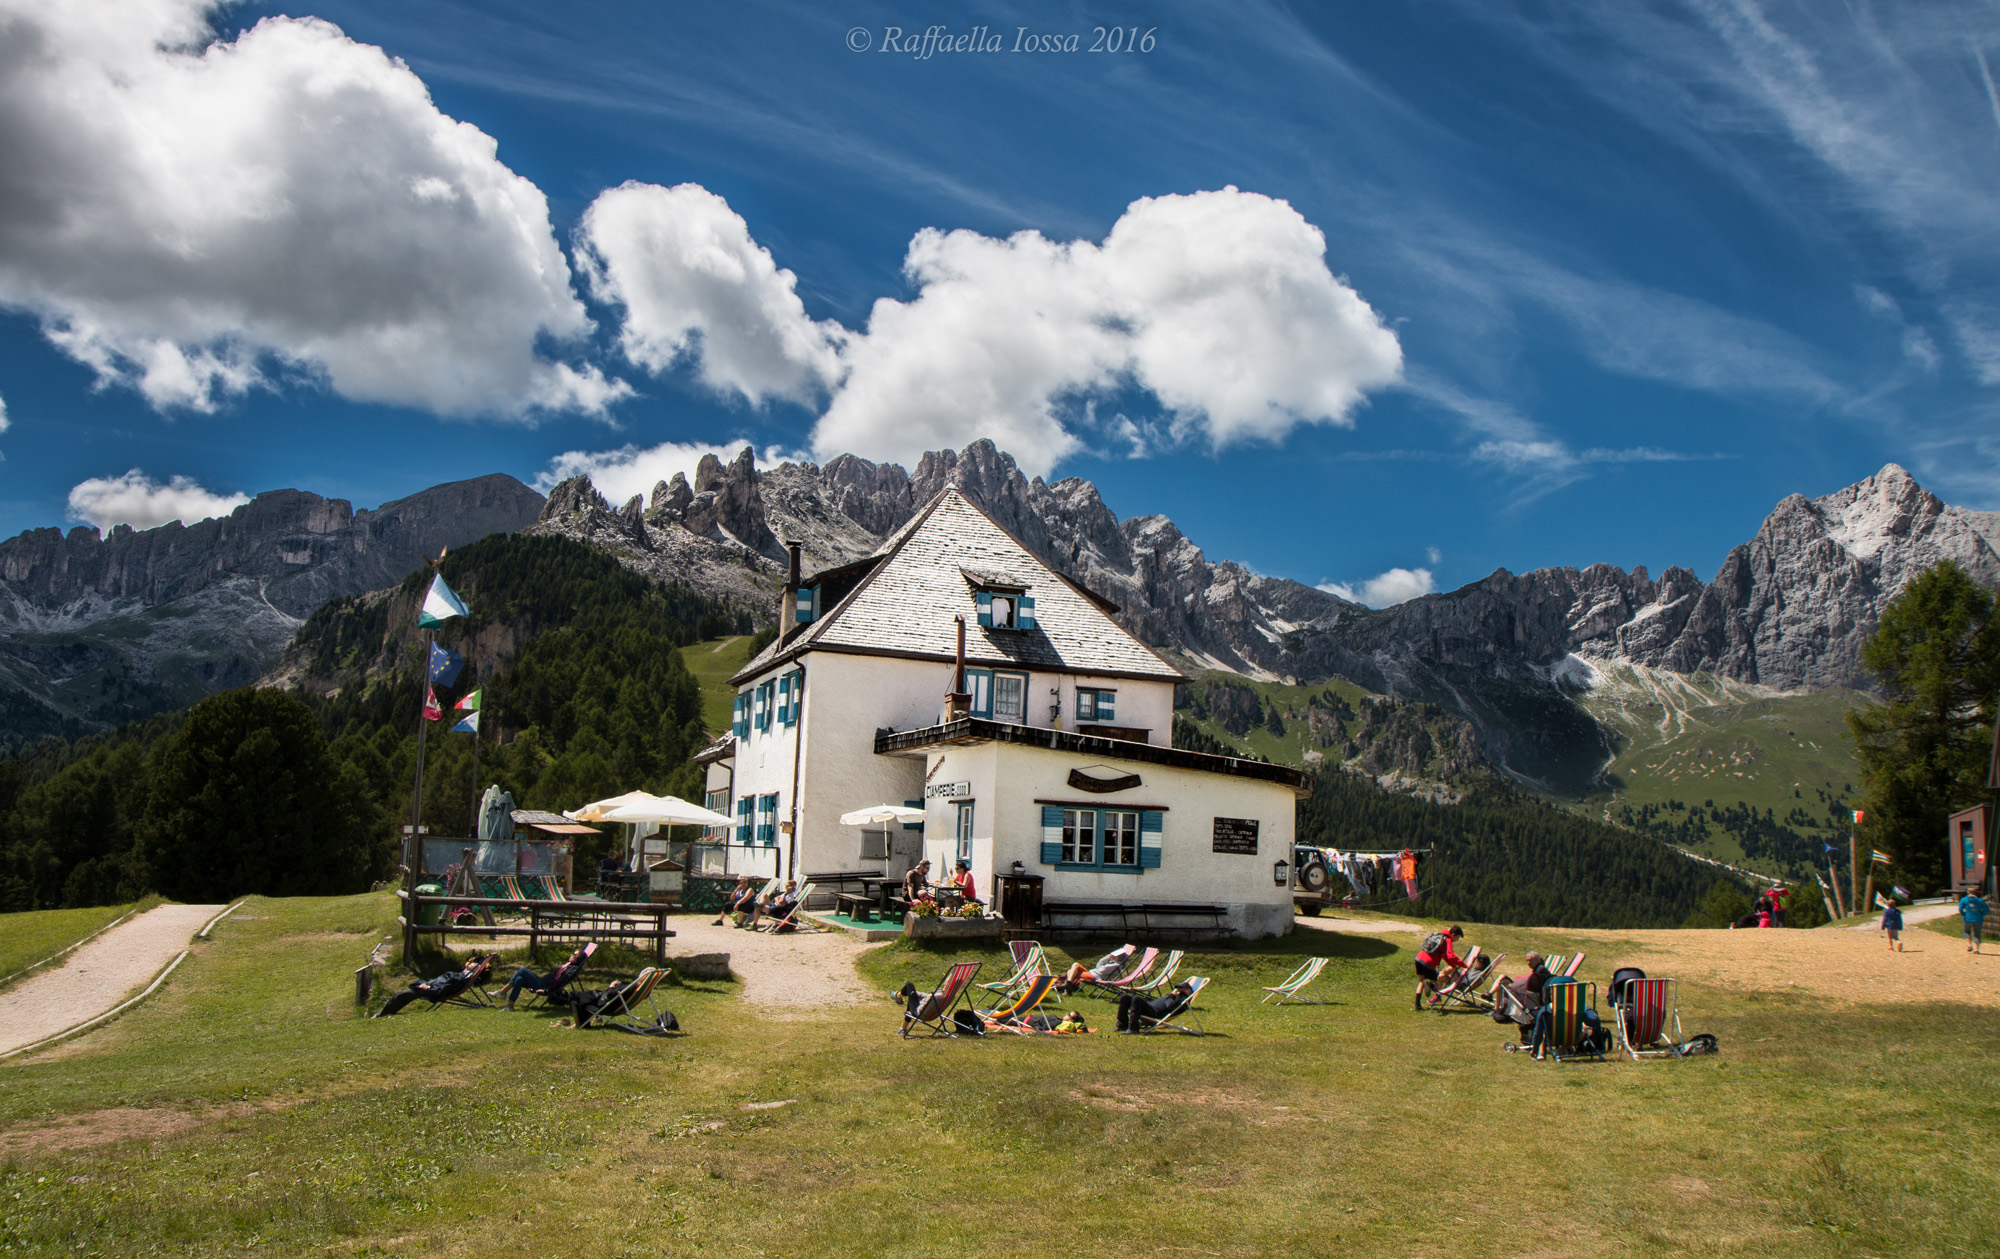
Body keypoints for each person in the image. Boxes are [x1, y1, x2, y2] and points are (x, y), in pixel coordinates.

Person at [374, 953, 498, 1017]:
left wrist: (428, 988)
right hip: (429, 986)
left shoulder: (458, 978)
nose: (470, 964)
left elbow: (443, 989)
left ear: (474, 970)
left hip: (430, 990)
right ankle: (384, 1013)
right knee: (400, 994)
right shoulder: (459, 976)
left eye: (473, 965)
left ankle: (382, 1015)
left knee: (401, 995)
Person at [502, 945, 588, 1010]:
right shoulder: (568, 966)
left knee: (522, 970)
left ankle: (502, 992)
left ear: (578, 959)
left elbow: (559, 983)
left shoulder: (571, 971)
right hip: (543, 983)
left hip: (544, 986)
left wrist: (546, 991)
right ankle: (510, 1006)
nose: (571, 955)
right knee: (519, 979)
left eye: (574, 955)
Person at [1414, 925, 1468, 1010]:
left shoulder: (1439, 935)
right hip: (1429, 962)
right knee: (1435, 983)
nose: (1457, 940)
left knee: (1421, 981)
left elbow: (1445, 956)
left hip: (1419, 959)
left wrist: (1454, 965)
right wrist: (1464, 964)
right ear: (1453, 934)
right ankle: (1429, 985)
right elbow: (1450, 955)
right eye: (1457, 938)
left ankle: (1417, 1005)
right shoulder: (1448, 939)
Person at [1117, 981, 1196, 1033]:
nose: (1177, 991)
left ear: (1188, 991)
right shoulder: (1177, 996)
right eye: (1177, 989)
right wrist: (1171, 995)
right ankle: (1122, 1025)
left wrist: (1171, 995)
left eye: (1180, 989)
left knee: (1136, 999)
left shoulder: (1182, 998)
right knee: (1125, 997)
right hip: (1150, 1007)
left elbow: (1171, 1006)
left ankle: (1133, 1029)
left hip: (1154, 1013)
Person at [1056, 944, 1136, 995]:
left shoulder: (1115, 966)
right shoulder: (1114, 963)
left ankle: (1068, 986)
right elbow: (1098, 965)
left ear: (1118, 957)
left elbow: (1101, 970)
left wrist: (1110, 961)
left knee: (1072, 969)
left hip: (1094, 977)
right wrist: (1106, 958)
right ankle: (1068, 987)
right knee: (1074, 967)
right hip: (1092, 973)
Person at [1959, 889, 1989, 954]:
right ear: (1975, 893)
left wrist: (1963, 914)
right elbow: (1986, 909)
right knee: (1977, 934)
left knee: (1967, 931)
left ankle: (1969, 944)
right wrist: (1981, 914)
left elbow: (1960, 909)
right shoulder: (1979, 901)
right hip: (1978, 919)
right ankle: (1976, 950)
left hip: (1967, 918)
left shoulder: (1964, 900)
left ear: (1967, 892)